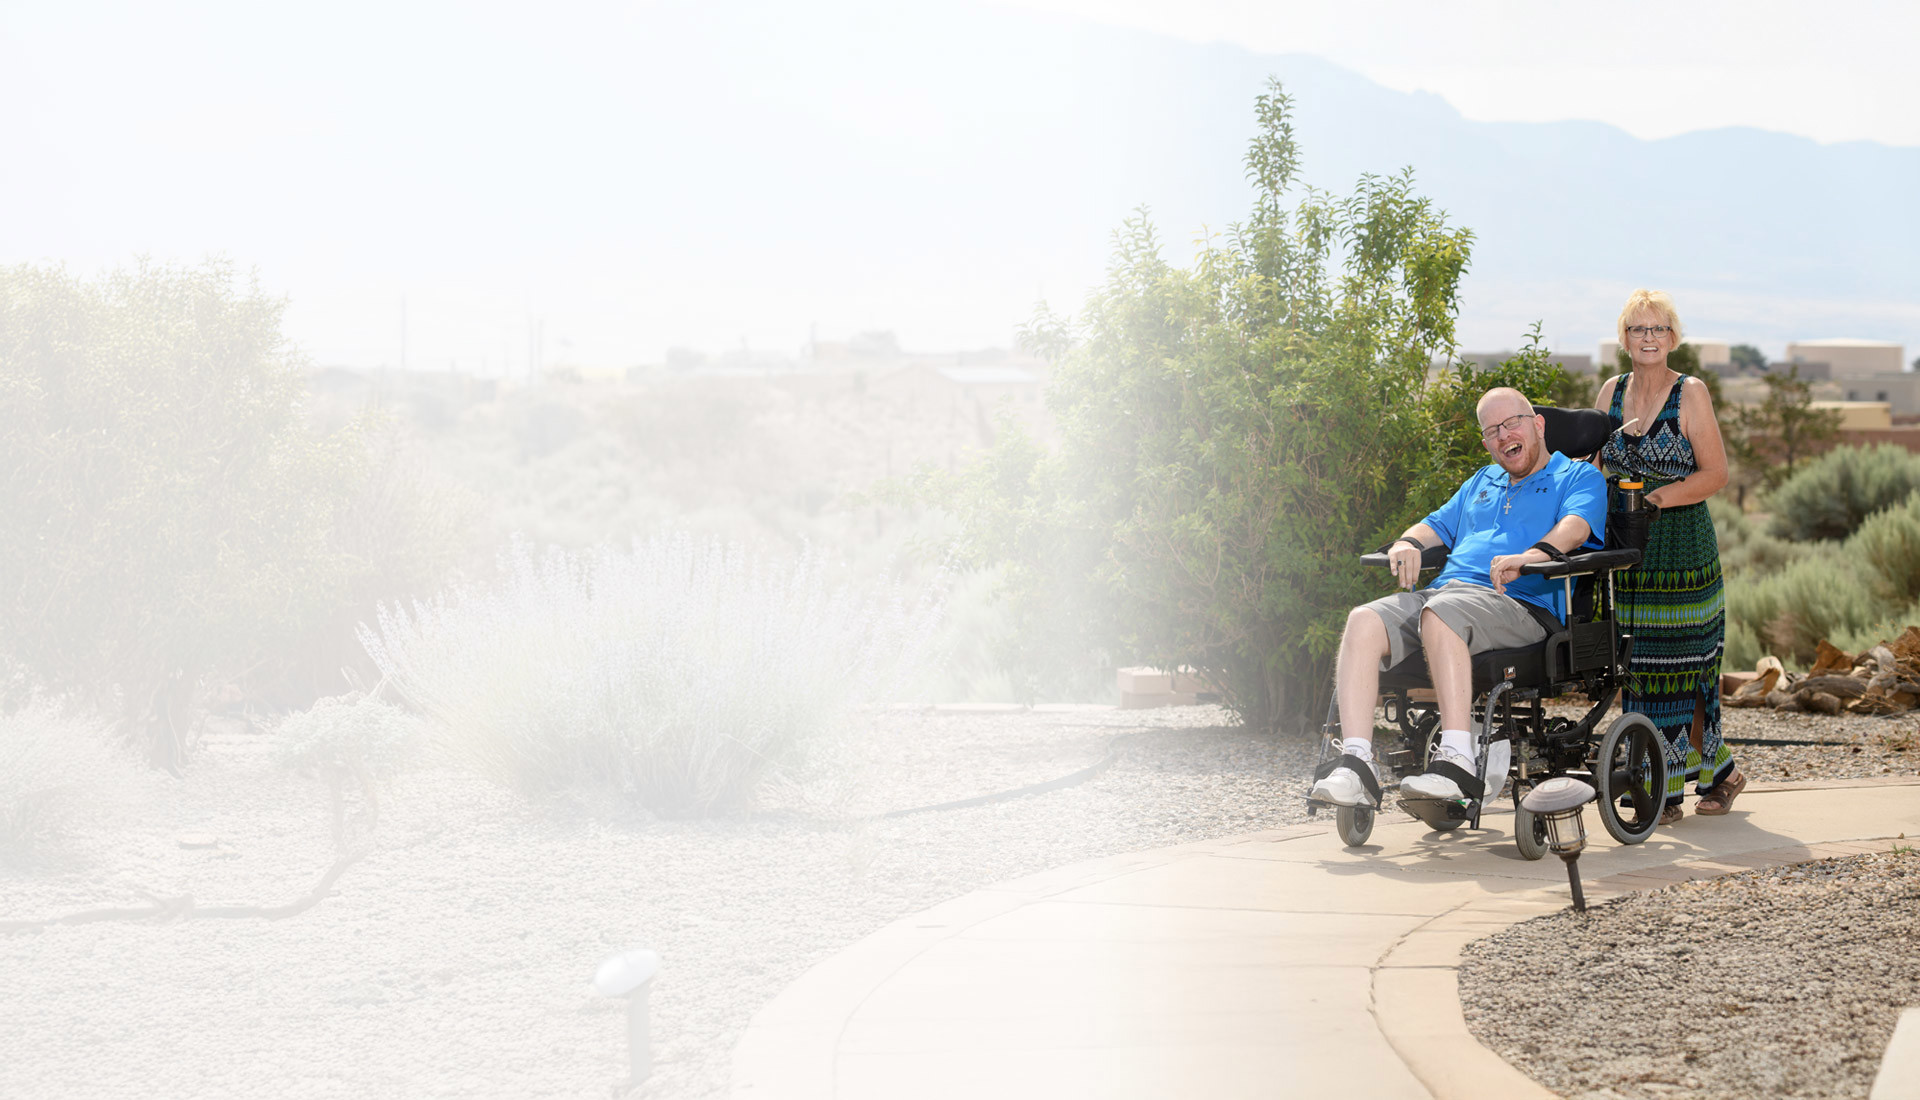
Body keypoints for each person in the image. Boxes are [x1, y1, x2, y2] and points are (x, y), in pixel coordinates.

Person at [1311, 387, 1608, 807]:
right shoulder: (1481, 482)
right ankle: (1357, 765)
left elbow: (1576, 528)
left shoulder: (1577, 477)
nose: (1504, 436)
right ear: (1486, 443)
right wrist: (1405, 543)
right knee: (1363, 620)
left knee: (1440, 612)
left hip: (1521, 603)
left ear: (1537, 425)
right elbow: (1433, 526)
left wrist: (1529, 556)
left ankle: (1457, 762)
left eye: (1512, 424)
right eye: (1493, 431)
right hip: (1448, 594)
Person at [1594, 289, 1742, 823]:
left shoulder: (1691, 392)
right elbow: (1591, 464)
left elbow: (1715, 474)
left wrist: (1655, 498)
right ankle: (1664, 778)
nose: (1649, 338)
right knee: (1640, 665)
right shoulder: (1611, 392)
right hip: (1630, 552)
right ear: (1624, 339)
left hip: (1682, 548)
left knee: (1687, 666)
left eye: (1658, 329)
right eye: (1638, 329)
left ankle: (1692, 780)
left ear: (1673, 338)